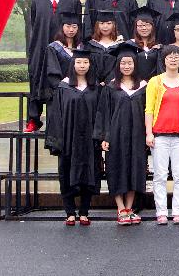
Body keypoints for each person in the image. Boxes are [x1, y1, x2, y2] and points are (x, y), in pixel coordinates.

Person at [45, 48, 101, 226]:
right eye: (78, 62)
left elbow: (101, 113)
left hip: (90, 140)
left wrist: (100, 136)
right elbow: (56, 115)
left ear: (90, 65)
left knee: (89, 173)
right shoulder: (64, 87)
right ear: (73, 64)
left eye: (85, 62)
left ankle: (84, 212)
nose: (82, 65)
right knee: (66, 172)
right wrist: (57, 140)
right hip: (69, 139)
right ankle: (69, 212)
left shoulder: (96, 87)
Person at [94, 42, 148, 225]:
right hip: (116, 136)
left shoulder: (143, 87)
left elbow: (148, 112)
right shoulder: (110, 87)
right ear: (118, 65)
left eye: (130, 63)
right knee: (116, 169)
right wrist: (104, 136)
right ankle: (120, 208)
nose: (126, 66)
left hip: (137, 136)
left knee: (134, 169)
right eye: (123, 63)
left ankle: (129, 208)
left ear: (135, 64)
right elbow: (104, 113)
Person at [27, 0, 82, 132]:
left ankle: (61, 120)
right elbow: (35, 24)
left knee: (61, 81)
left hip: (64, 50)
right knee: (37, 78)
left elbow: (77, 26)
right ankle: (33, 119)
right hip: (40, 48)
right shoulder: (38, 0)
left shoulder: (72, 0)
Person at [145, 45, 179, 225]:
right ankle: (161, 211)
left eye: (176, 57)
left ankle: (178, 212)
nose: (173, 59)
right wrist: (149, 132)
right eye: (169, 57)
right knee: (160, 175)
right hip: (159, 135)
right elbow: (149, 109)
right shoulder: (155, 82)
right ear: (164, 60)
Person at [38, 12, 82, 128]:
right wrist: (64, 88)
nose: (71, 30)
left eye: (74, 26)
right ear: (62, 27)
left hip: (80, 93)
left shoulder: (82, 47)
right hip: (60, 93)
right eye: (68, 26)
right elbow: (52, 73)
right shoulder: (54, 48)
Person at [83, 9, 122, 84]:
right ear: (97, 25)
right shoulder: (90, 45)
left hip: (114, 84)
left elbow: (120, 66)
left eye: (109, 23)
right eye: (102, 23)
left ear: (114, 25)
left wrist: (108, 81)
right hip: (93, 84)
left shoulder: (121, 45)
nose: (105, 26)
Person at [129, 6, 163, 80]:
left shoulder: (158, 47)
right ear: (136, 27)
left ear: (152, 27)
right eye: (140, 25)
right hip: (135, 83)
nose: (144, 28)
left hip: (153, 84)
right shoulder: (129, 45)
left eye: (147, 25)